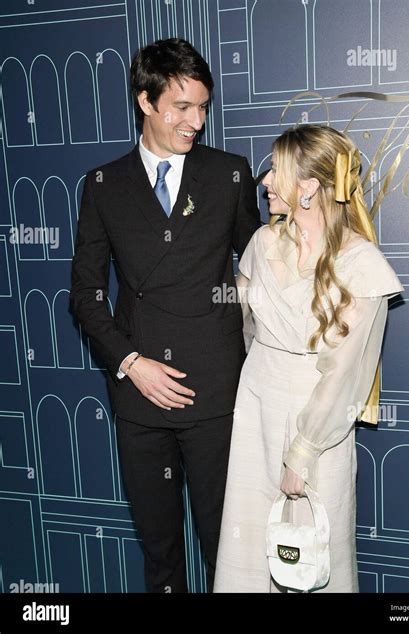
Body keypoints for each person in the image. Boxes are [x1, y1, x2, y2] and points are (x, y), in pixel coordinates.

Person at [70, 38, 261, 593]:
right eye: (182, 107)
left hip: (216, 394)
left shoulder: (229, 174)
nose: (196, 122)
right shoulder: (103, 186)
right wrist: (132, 363)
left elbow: (261, 278)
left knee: (227, 553)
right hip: (140, 398)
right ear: (145, 101)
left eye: (203, 107)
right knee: (160, 557)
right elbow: (85, 294)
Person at [214, 124, 404, 592]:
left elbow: (347, 373)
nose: (264, 183)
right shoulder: (262, 244)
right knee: (250, 549)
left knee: (314, 553)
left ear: (309, 187)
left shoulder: (361, 265)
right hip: (255, 408)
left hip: (316, 426)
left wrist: (302, 452)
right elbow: (242, 327)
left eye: (275, 171)